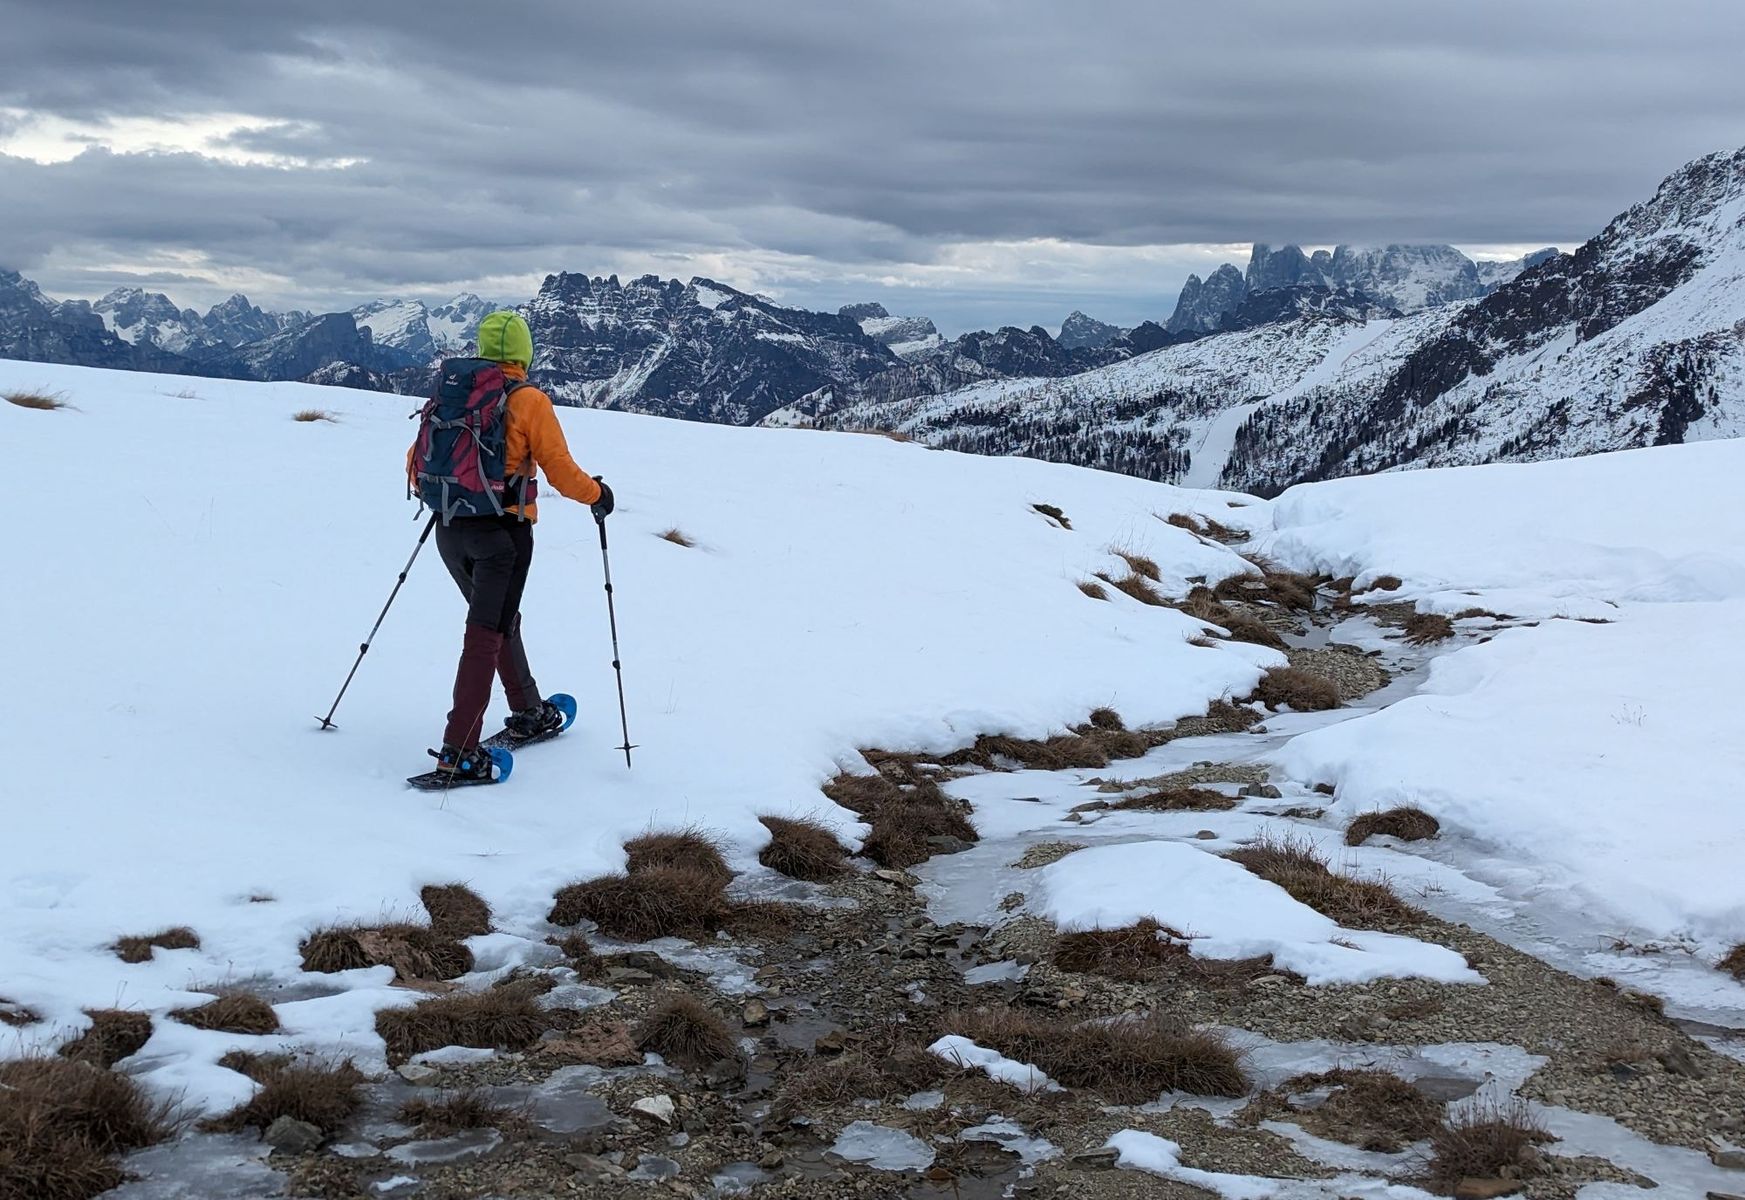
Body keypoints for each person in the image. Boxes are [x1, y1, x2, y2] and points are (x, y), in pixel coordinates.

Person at [408, 310, 614, 781]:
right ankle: (458, 751)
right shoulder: (527, 400)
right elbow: (561, 471)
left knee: (499, 621)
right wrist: (598, 495)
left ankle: (527, 709)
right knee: (485, 633)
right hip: (503, 538)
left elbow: (415, 464)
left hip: (448, 530)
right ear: (524, 353)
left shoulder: (451, 395)